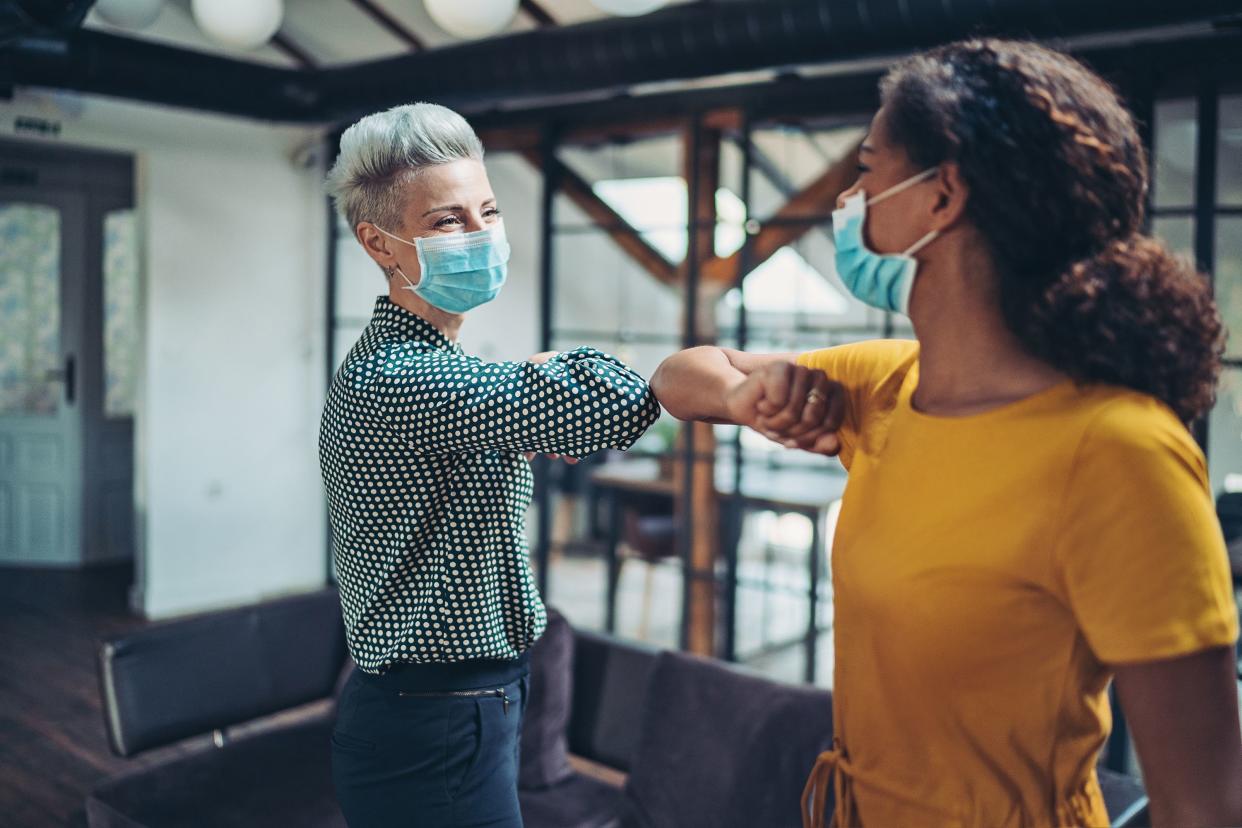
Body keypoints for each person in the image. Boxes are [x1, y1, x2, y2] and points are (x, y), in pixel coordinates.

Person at [650, 39, 1242, 828]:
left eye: (867, 170)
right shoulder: (888, 382)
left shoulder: (1119, 452)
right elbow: (679, 378)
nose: (851, 199)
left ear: (942, 196)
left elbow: (1205, 807)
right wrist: (753, 391)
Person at [319, 103, 660, 828]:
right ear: (380, 243)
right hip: (433, 718)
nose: (482, 236)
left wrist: (528, 397)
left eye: (489, 211)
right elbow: (617, 403)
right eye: (447, 221)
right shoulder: (400, 379)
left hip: (454, 707)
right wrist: (558, 376)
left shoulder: (444, 370)